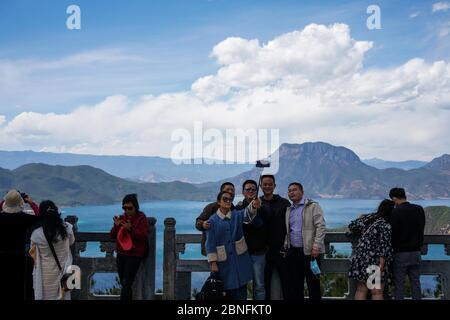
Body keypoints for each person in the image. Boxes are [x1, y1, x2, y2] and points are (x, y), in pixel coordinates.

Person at [205, 190, 261, 300]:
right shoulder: (212, 220)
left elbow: (247, 214)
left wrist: (253, 206)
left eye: (230, 199)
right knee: (226, 291)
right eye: (225, 199)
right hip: (223, 264)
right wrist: (213, 263)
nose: (228, 201)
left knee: (241, 291)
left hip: (240, 261)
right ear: (219, 202)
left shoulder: (237, 215)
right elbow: (210, 243)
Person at [283, 182, 326, 300]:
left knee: (313, 285)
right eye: (289, 190)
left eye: (295, 190)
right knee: (296, 286)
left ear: (302, 192)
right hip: (294, 252)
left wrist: (316, 246)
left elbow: (321, 226)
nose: (291, 192)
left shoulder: (313, 206)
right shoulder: (288, 210)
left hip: (311, 253)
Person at [348, 199, 394, 300]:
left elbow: (352, 226)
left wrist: (360, 218)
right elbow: (384, 245)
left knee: (361, 289)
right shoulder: (385, 225)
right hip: (375, 261)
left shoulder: (368, 218)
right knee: (376, 291)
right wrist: (381, 264)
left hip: (361, 259)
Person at [30, 200, 75, 300]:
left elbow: (32, 252)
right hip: (64, 273)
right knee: (65, 296)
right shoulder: (67, 228)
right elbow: (71, 242)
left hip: (45, 276)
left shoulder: (36, 234)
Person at [0, 190, 39, 300]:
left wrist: (7, 200)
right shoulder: (25, 219)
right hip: (20, 258)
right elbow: (41, 217)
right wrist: (31, 203)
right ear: (20, 203)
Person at [110, 194, 149, 300]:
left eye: (130, 208)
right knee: (124, 283)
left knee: (127, 283)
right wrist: (116, 225)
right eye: (124, 208)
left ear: (136, 207)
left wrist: (130, 229)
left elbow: (142, 236)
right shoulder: (122, 218)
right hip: (121, 253)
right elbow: (113, 235)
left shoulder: (141, 219)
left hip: (134, 255)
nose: (127, 210)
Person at [389, 187, 425, 300]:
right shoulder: (419, 209)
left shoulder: (395, 212)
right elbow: (422, 226)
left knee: (399, 284)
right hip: (416, 252)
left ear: (394, 198)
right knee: (416, 282)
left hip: (400, 253)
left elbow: (393, 233)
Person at [235, 179, 269, 300]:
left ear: (257, 191)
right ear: (243, 192)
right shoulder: (238, 208)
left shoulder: (264, 206)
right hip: (242, 253)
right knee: (240, 284)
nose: (250, 191)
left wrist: (258, 208)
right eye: (247, 189)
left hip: (259, 253)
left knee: (259, 285)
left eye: (253, 189)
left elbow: (266, 222)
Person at [259, 175, 291, 300]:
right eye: (265, 184)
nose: (267, 186)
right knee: (264, 283)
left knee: (287, 282)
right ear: (261, 186)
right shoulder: (257, 202)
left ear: (274, 186)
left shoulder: (284, 202)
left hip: (281, 250)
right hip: (263, 250)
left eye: (270, 184)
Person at [195, 182, 235, 256]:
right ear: (221, 193)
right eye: (227, 190)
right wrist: (203, 224)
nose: (230, 192)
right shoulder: (211, 207)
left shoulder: (234, 210)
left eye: (232, 190)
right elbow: (198, 222)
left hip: (229, 250)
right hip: (213, 250)